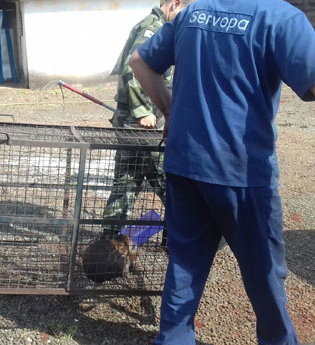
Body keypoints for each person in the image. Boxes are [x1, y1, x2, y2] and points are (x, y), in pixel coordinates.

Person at [130, 0, 315, 343]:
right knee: (265, 277)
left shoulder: (193, 14)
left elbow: (140, 62)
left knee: (185, 266)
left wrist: (170, 111)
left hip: (184, 164)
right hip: (241, 175)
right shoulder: (280, 17)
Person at [103, 0, 194, 240]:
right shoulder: (152, 27)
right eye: (184, 12)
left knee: (128, 179)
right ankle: (180, 236)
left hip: (138, 123)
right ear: (175, 4)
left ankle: (110, 239)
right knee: (168, 178)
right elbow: (133, 69)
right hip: (142, 125)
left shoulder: (158, 27)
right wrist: (143, 110)